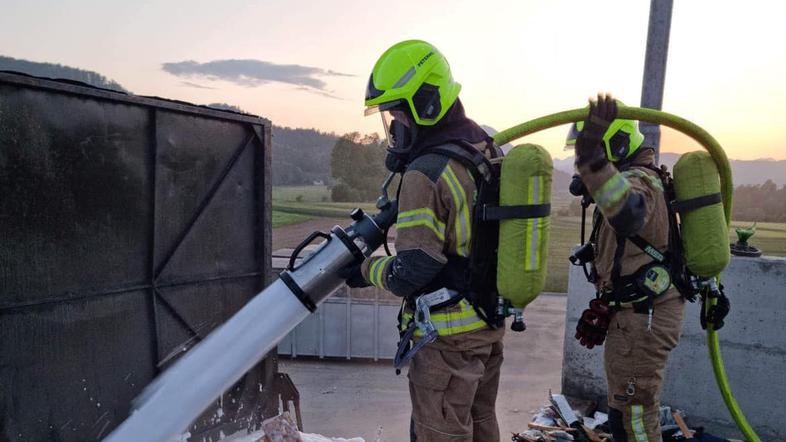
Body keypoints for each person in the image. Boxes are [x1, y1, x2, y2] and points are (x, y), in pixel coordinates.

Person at [343, 39, 504, 442]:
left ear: (426, 104)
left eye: (398, 113)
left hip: (448, 339)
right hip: (487, 325)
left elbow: (412, 269)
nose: (395, 126)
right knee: (482, 425)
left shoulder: (426, 172)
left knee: (441, 433)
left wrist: (364, 269)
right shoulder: (484, 147)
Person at [568, 93, 686, 442]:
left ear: (613, 149)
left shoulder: (641, 181)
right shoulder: (640, 178)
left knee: (634, 417)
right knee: (623, 410)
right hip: (633, 317)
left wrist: (590, 160)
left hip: (643, 317)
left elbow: (629, 214)